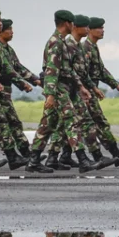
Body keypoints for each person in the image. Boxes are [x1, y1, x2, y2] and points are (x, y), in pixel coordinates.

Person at [26, 10, 98, 173]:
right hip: (57, 88)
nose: (73, 25)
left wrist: (80, 87)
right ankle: (83, 159)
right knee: (71, 120)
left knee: (47, 125)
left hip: (63, 86)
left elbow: (67, 69)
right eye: (72, 22)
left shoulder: (61, 42)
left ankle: (33, 161)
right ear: (67, 23)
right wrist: (50, 94)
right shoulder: (55, 42)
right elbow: (52, 70)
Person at [82, 17, 119, 166]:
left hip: (90, 90)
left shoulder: (93, 47)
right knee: (94, 124)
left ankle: (115, 154)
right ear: (90, 30)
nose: (102, 30)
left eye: (103, 28)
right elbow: (82, 73)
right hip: (86, 92)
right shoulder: (85, 48)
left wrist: (115, 85)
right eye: (99, 28)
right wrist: (93, 88)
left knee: (95, 123)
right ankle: (107, 155)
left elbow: (101, 70)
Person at [0, 10, 29, 170]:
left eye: (0, 21)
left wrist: (22, 82)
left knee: (0, 121)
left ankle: (13, 157)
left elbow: (7, 67)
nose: (0, 23)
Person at [0, 18, 41, 159]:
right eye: (9, 29)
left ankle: (24, 153)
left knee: (13, 122)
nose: (12, 32)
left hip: (5, 92)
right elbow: (7, 70)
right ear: (1, 31)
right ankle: (14, 155)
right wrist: (22, 84)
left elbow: (18, 67)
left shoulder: (8, 49)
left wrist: (35, 79)